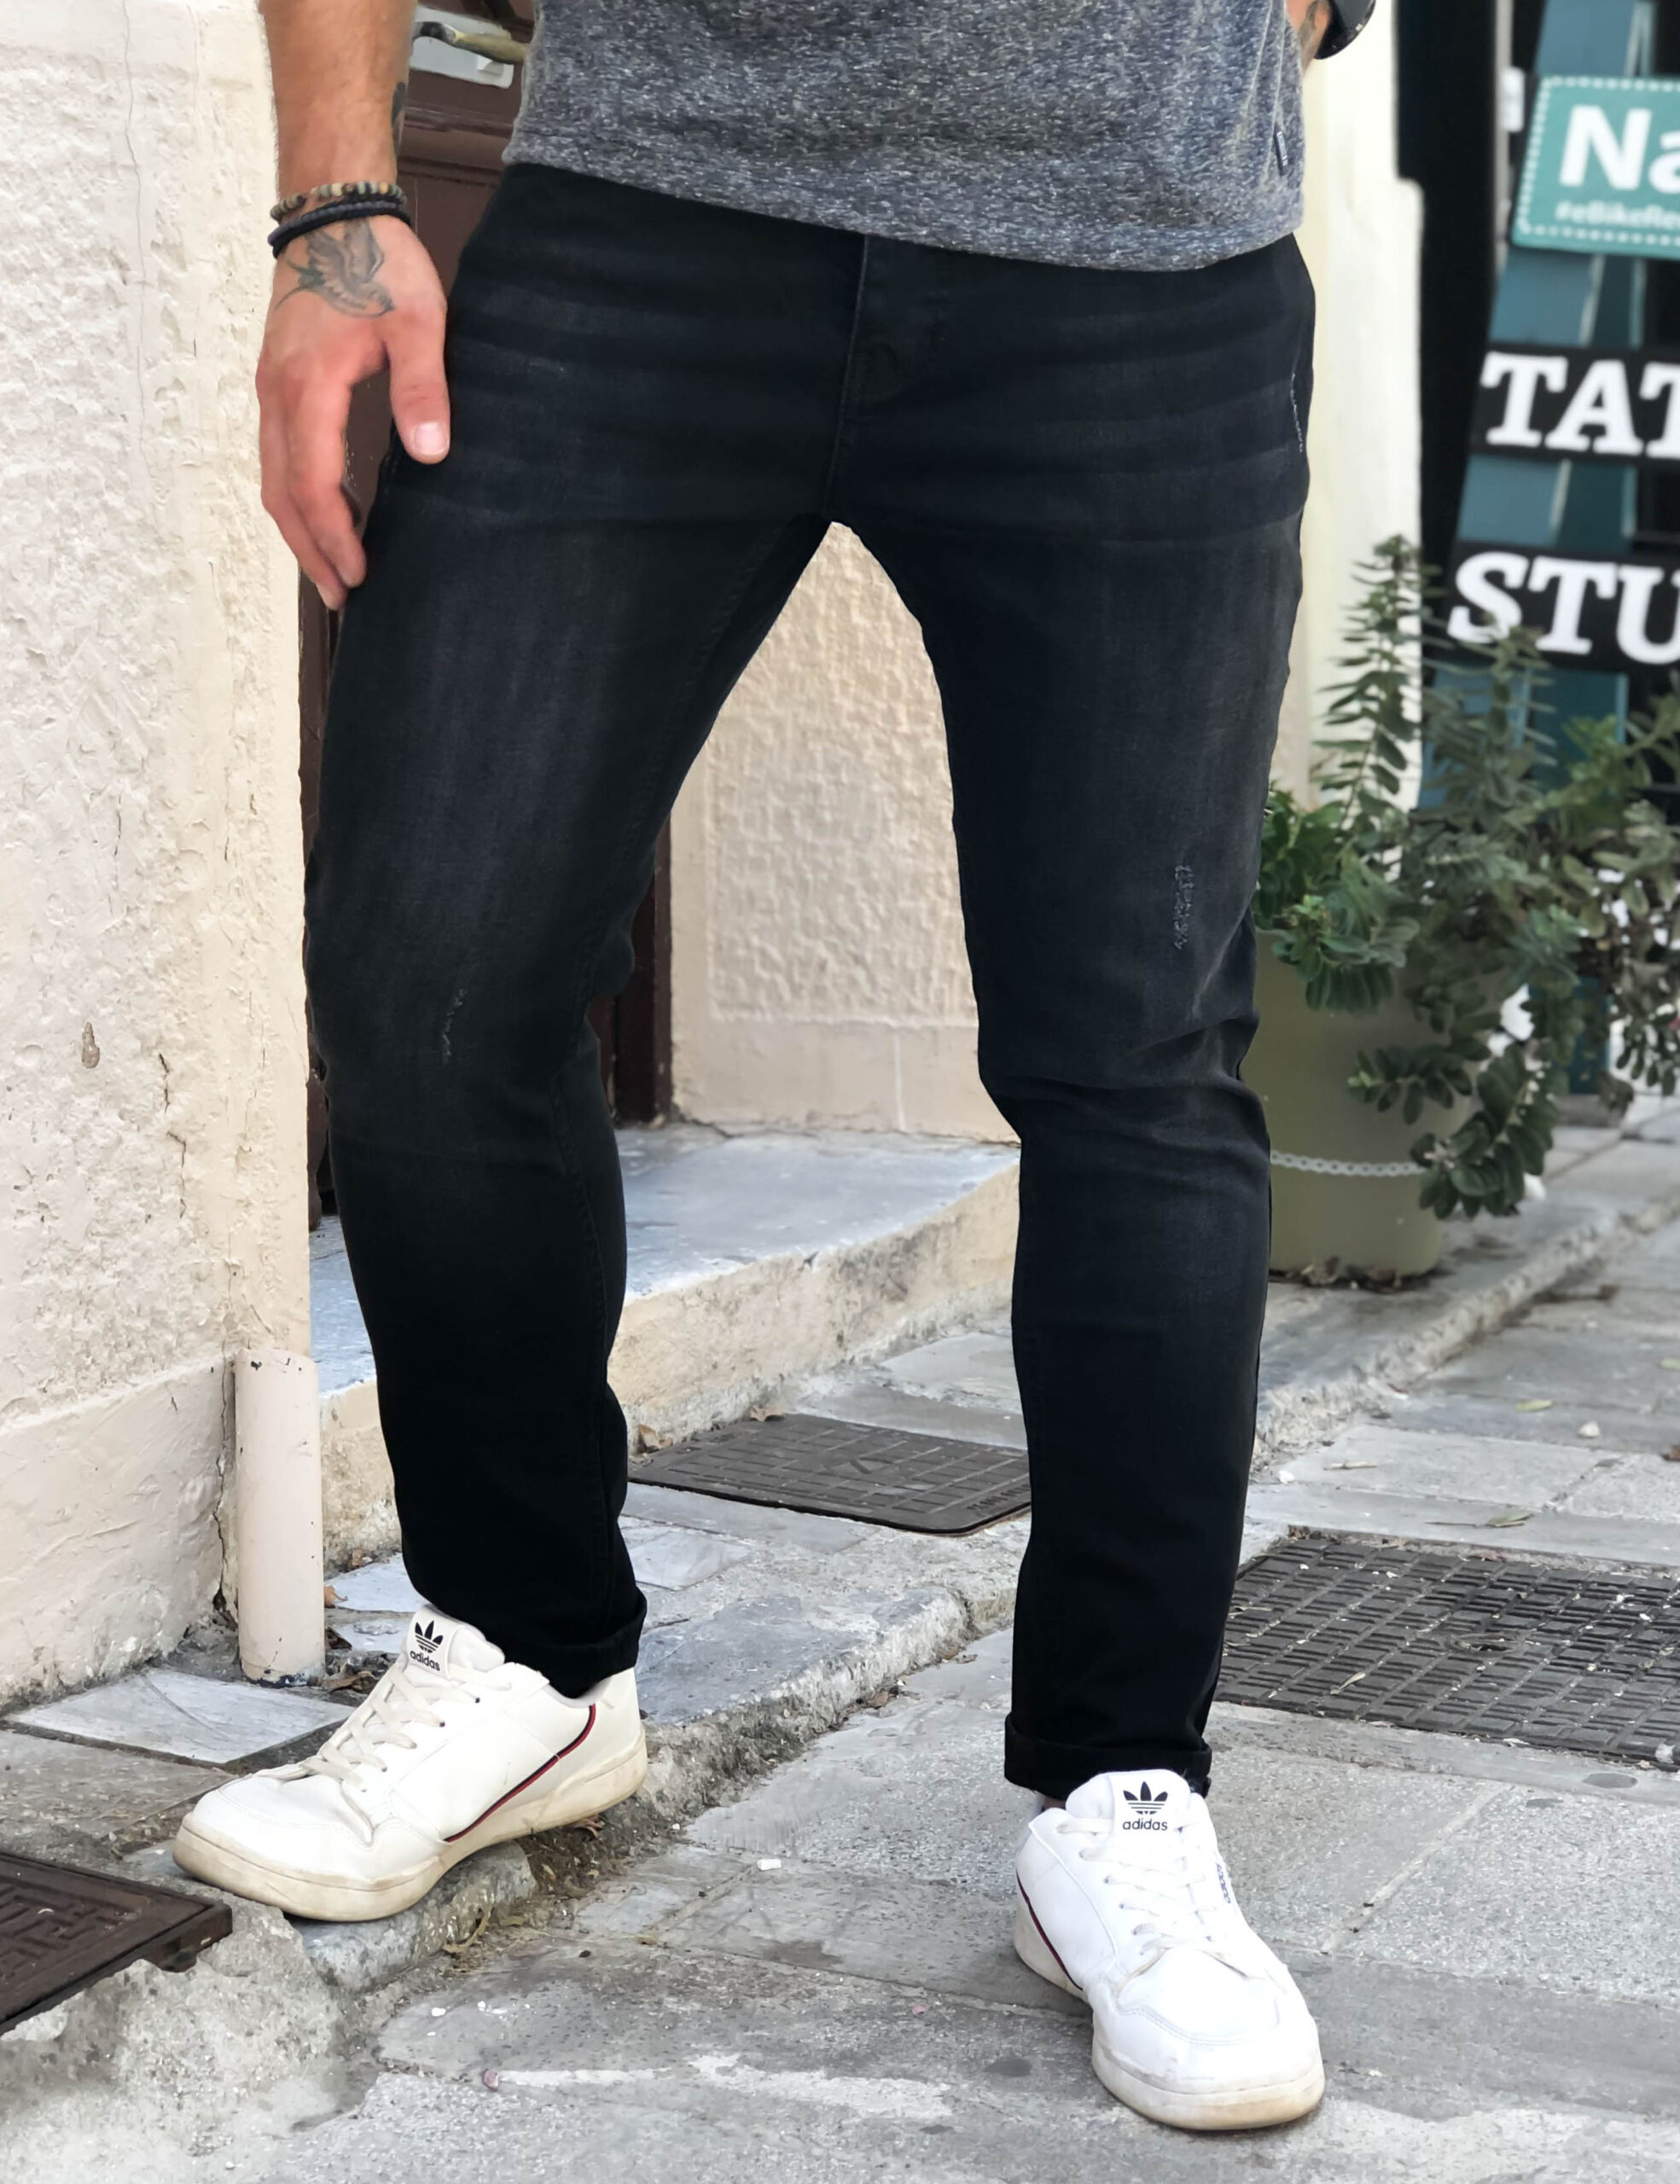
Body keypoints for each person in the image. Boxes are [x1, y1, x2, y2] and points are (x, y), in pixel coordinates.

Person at [177, 0, 1373, 2133]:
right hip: (652, 203)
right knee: (428, 972)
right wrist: (338, 210)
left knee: (1132, 1055)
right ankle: (531, 1657)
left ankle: (1121, 1787)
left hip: (1140, 247)